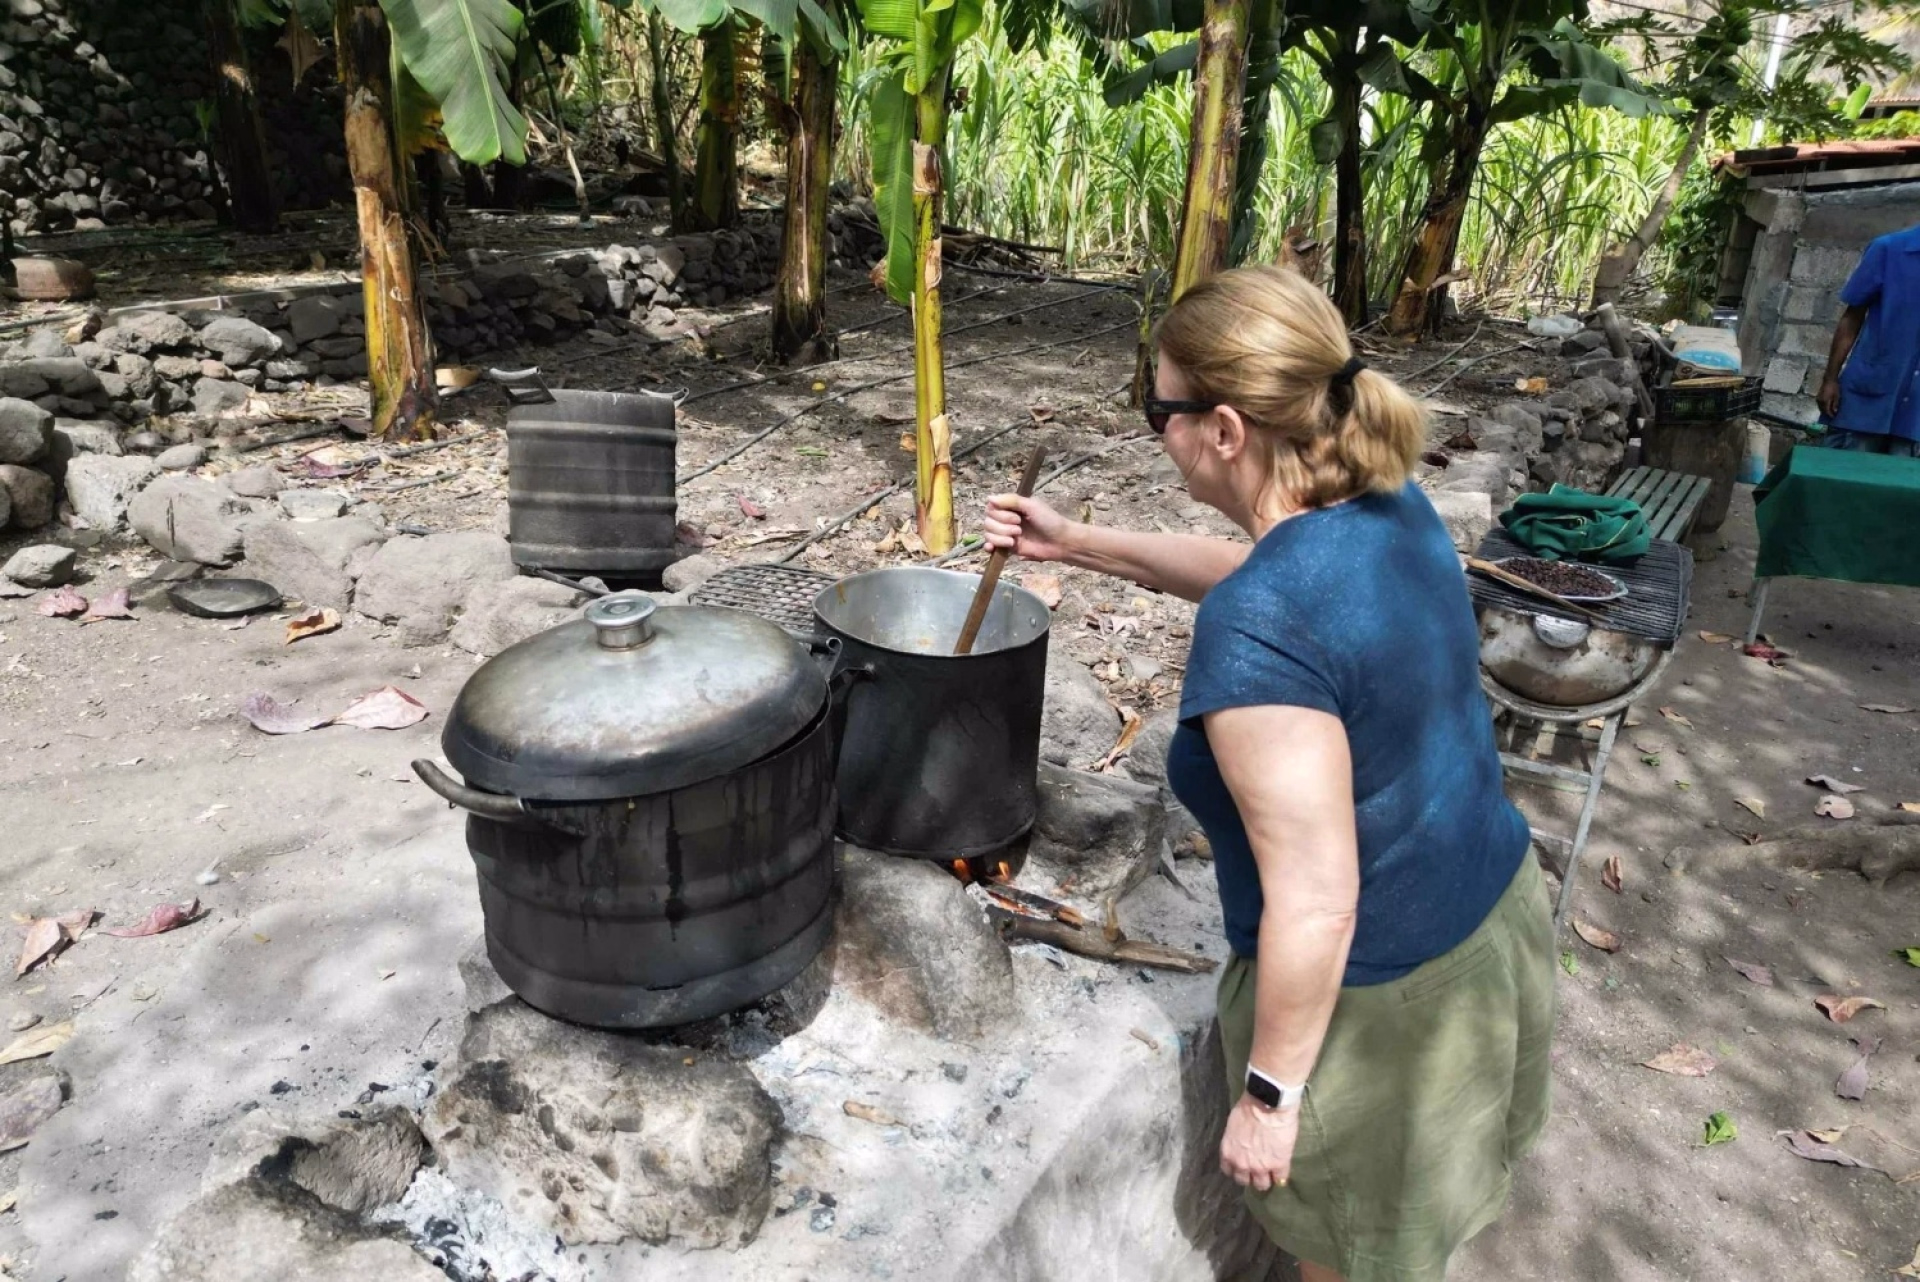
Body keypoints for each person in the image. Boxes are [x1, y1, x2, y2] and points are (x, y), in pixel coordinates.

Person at [983, 265, 1555, 1282]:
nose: (1153, 431)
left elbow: (1319, 900)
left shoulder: (1261, 630)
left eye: (1157, 409)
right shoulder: (1388, 504)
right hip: (1491, 919)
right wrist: (1077, 544)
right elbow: (1270, 578)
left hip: (1381, 1016)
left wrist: (1270, 1097)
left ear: (1224, 429)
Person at [1816, 223, 1920, 458]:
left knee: (1898, 481)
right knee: (1842, 473)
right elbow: (1852, 316)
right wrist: (1830, 379)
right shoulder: (1888, 249)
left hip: (1915, 417)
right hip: (1867, 399)